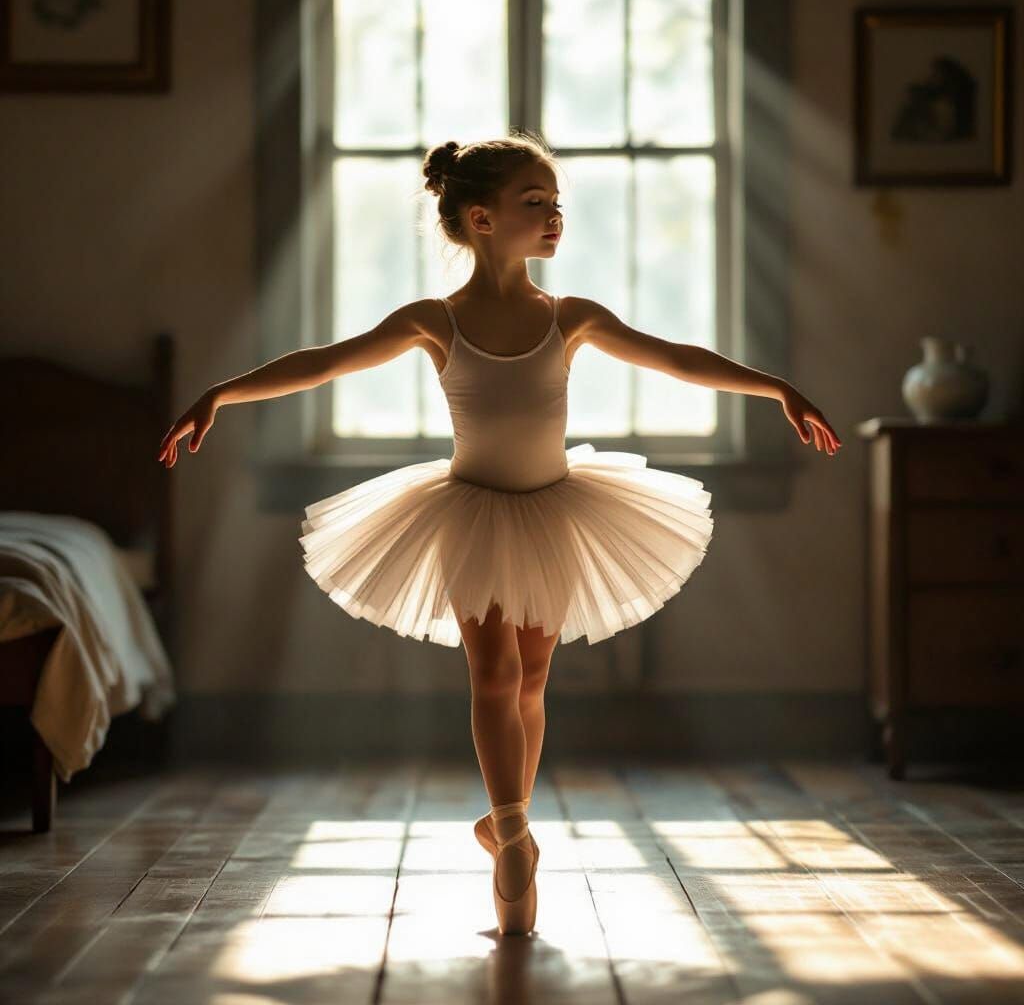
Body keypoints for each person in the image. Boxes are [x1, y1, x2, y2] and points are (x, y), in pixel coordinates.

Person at [157, 131, 841, 937]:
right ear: (480, 218)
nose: (554, 218)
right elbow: (324, 363)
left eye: (557, 205)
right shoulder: (434, 321)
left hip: (555, 512)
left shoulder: (571, 316)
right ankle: (513, 831)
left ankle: (505, 818)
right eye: (534, 204)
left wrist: (775, 389)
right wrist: (220, 395)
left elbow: (678, 360)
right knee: (493, 668)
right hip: (472, 514)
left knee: (530, 681)